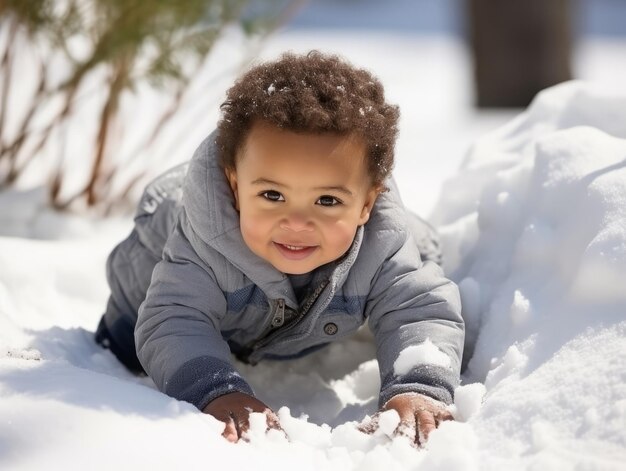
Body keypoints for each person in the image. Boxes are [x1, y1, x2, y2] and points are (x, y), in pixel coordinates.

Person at [94, 51, 464, 446]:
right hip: (156, 251)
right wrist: (215, 389)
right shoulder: (202, 240)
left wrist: (419, 387)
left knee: (419, 250)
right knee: (131, 342)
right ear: (235, 188)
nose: (297, 223)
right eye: (273, 194)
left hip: (296, 301)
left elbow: (420, 310)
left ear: (367, 205)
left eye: (327, 201)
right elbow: (174, 317)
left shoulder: (384, 245)